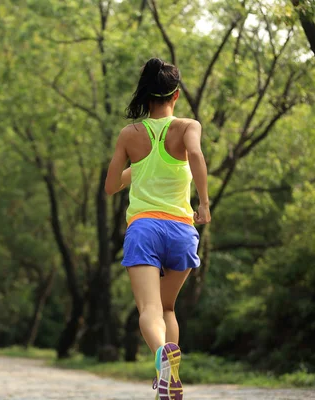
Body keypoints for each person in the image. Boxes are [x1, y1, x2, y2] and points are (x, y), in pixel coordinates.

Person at [105, 57, 211, 400]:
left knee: (149, 311)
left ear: (145, 95)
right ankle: (169, 381)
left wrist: (139, 165)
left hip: (144, 229)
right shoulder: (187, 126)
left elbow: (110, 186)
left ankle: (162, 358)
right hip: (181, 230)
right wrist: (204, 203)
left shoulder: (130, 134)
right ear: (175, 95)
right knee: (168, 308)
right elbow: (195, 155)